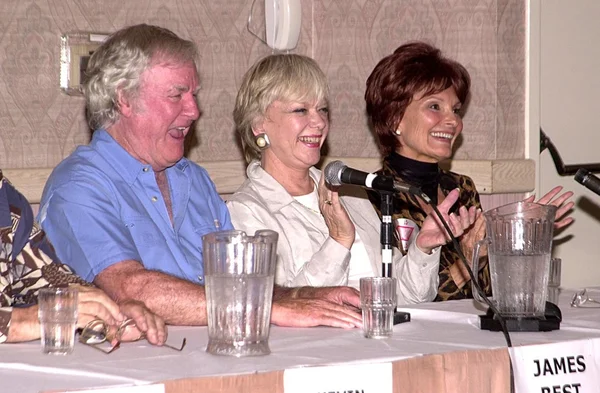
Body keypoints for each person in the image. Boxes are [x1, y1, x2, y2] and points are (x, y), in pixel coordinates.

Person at [38, 24, 362, 329]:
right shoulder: (78, 187)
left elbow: (237, 283)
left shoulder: (195, 180)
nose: (194, 111)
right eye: (177, 95)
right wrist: (269, 309)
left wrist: (299, 296)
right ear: (124, 98)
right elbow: (130, 287)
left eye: (194, 95)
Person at [227, 53, 481, 305]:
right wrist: (338, 241)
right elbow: (277, 307)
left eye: (323, 109)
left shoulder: (348, 193)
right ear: (259, 124)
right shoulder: (246, 211)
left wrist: (423, 248)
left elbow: (405, 297)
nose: (319, 122)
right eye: (301, 110)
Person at [364, 41, 574, 301]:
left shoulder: (461, 189)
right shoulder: (373, 196)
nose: (453, 120)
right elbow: (396, 298)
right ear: (394, 119)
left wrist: (516, 237)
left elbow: (486, 295)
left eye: (455, 110)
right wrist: (467, 261)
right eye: (434, 106)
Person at [0, 171, 166, 344]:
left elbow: (40, 275)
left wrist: (105, 310)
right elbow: (27, 319)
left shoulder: (5, 197)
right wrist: (18, 321)